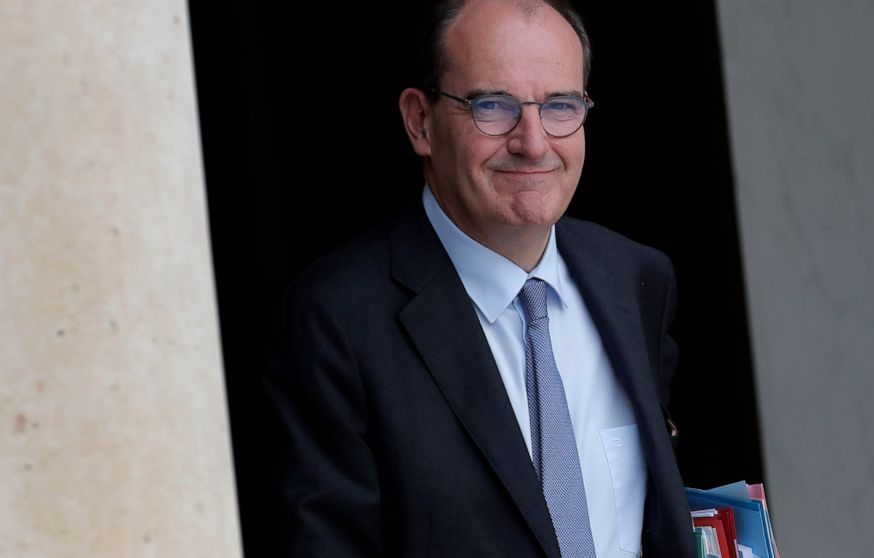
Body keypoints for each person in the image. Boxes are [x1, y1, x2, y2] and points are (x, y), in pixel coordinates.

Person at [264, 0, 695, 556]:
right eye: (493, 106)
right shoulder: (335, 321)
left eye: (560, 106)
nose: (533, 143)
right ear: (420, 121)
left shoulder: (636, 280)